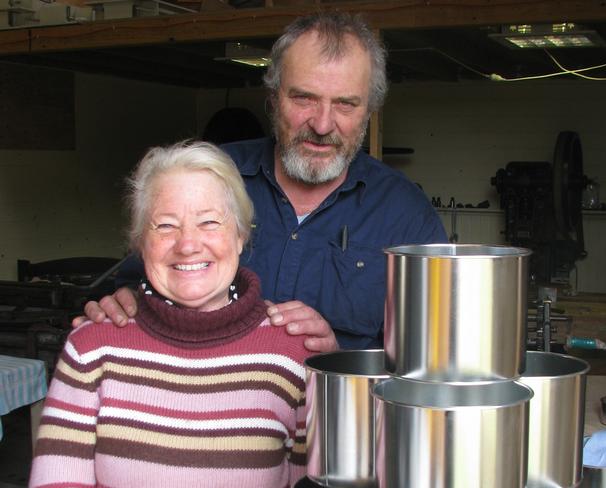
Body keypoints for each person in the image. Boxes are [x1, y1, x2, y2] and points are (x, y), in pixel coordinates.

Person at [75, 12, 447, 350]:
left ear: (368, 110)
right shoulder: (209, 176)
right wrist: (125, 299)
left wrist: (341, 361)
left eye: (345, 105)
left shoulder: (407, 217)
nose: (321, 125)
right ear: (273, 99)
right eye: (304, 98)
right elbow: (139, 279)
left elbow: (430, 359)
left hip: (333, 418)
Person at [30, 141, 311, 488]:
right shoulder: (90, 349)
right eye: (165, 226)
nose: (187, 244)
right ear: (139, 243)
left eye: (209, 222)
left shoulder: (296, 356)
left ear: (239, 236)